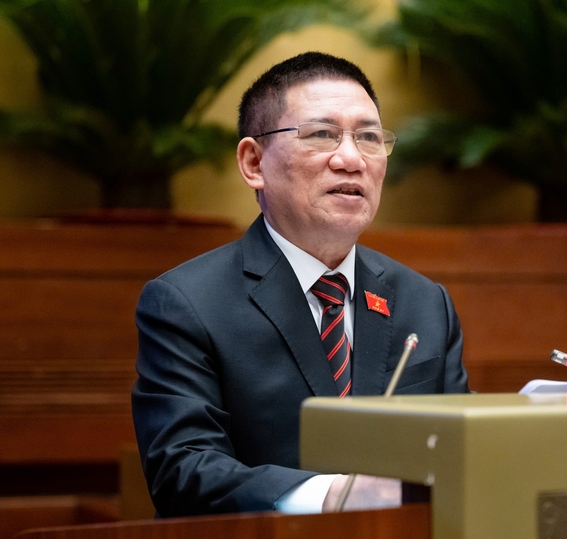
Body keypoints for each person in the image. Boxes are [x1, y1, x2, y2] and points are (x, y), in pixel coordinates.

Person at [131, 51, 469, 518]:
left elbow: (464, 448)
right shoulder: (187, 304)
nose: (351, 159)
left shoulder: (425, 302)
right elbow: (184, 470)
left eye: (369, 138)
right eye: (321, 135)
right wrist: (333, 497)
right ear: (254, 162)